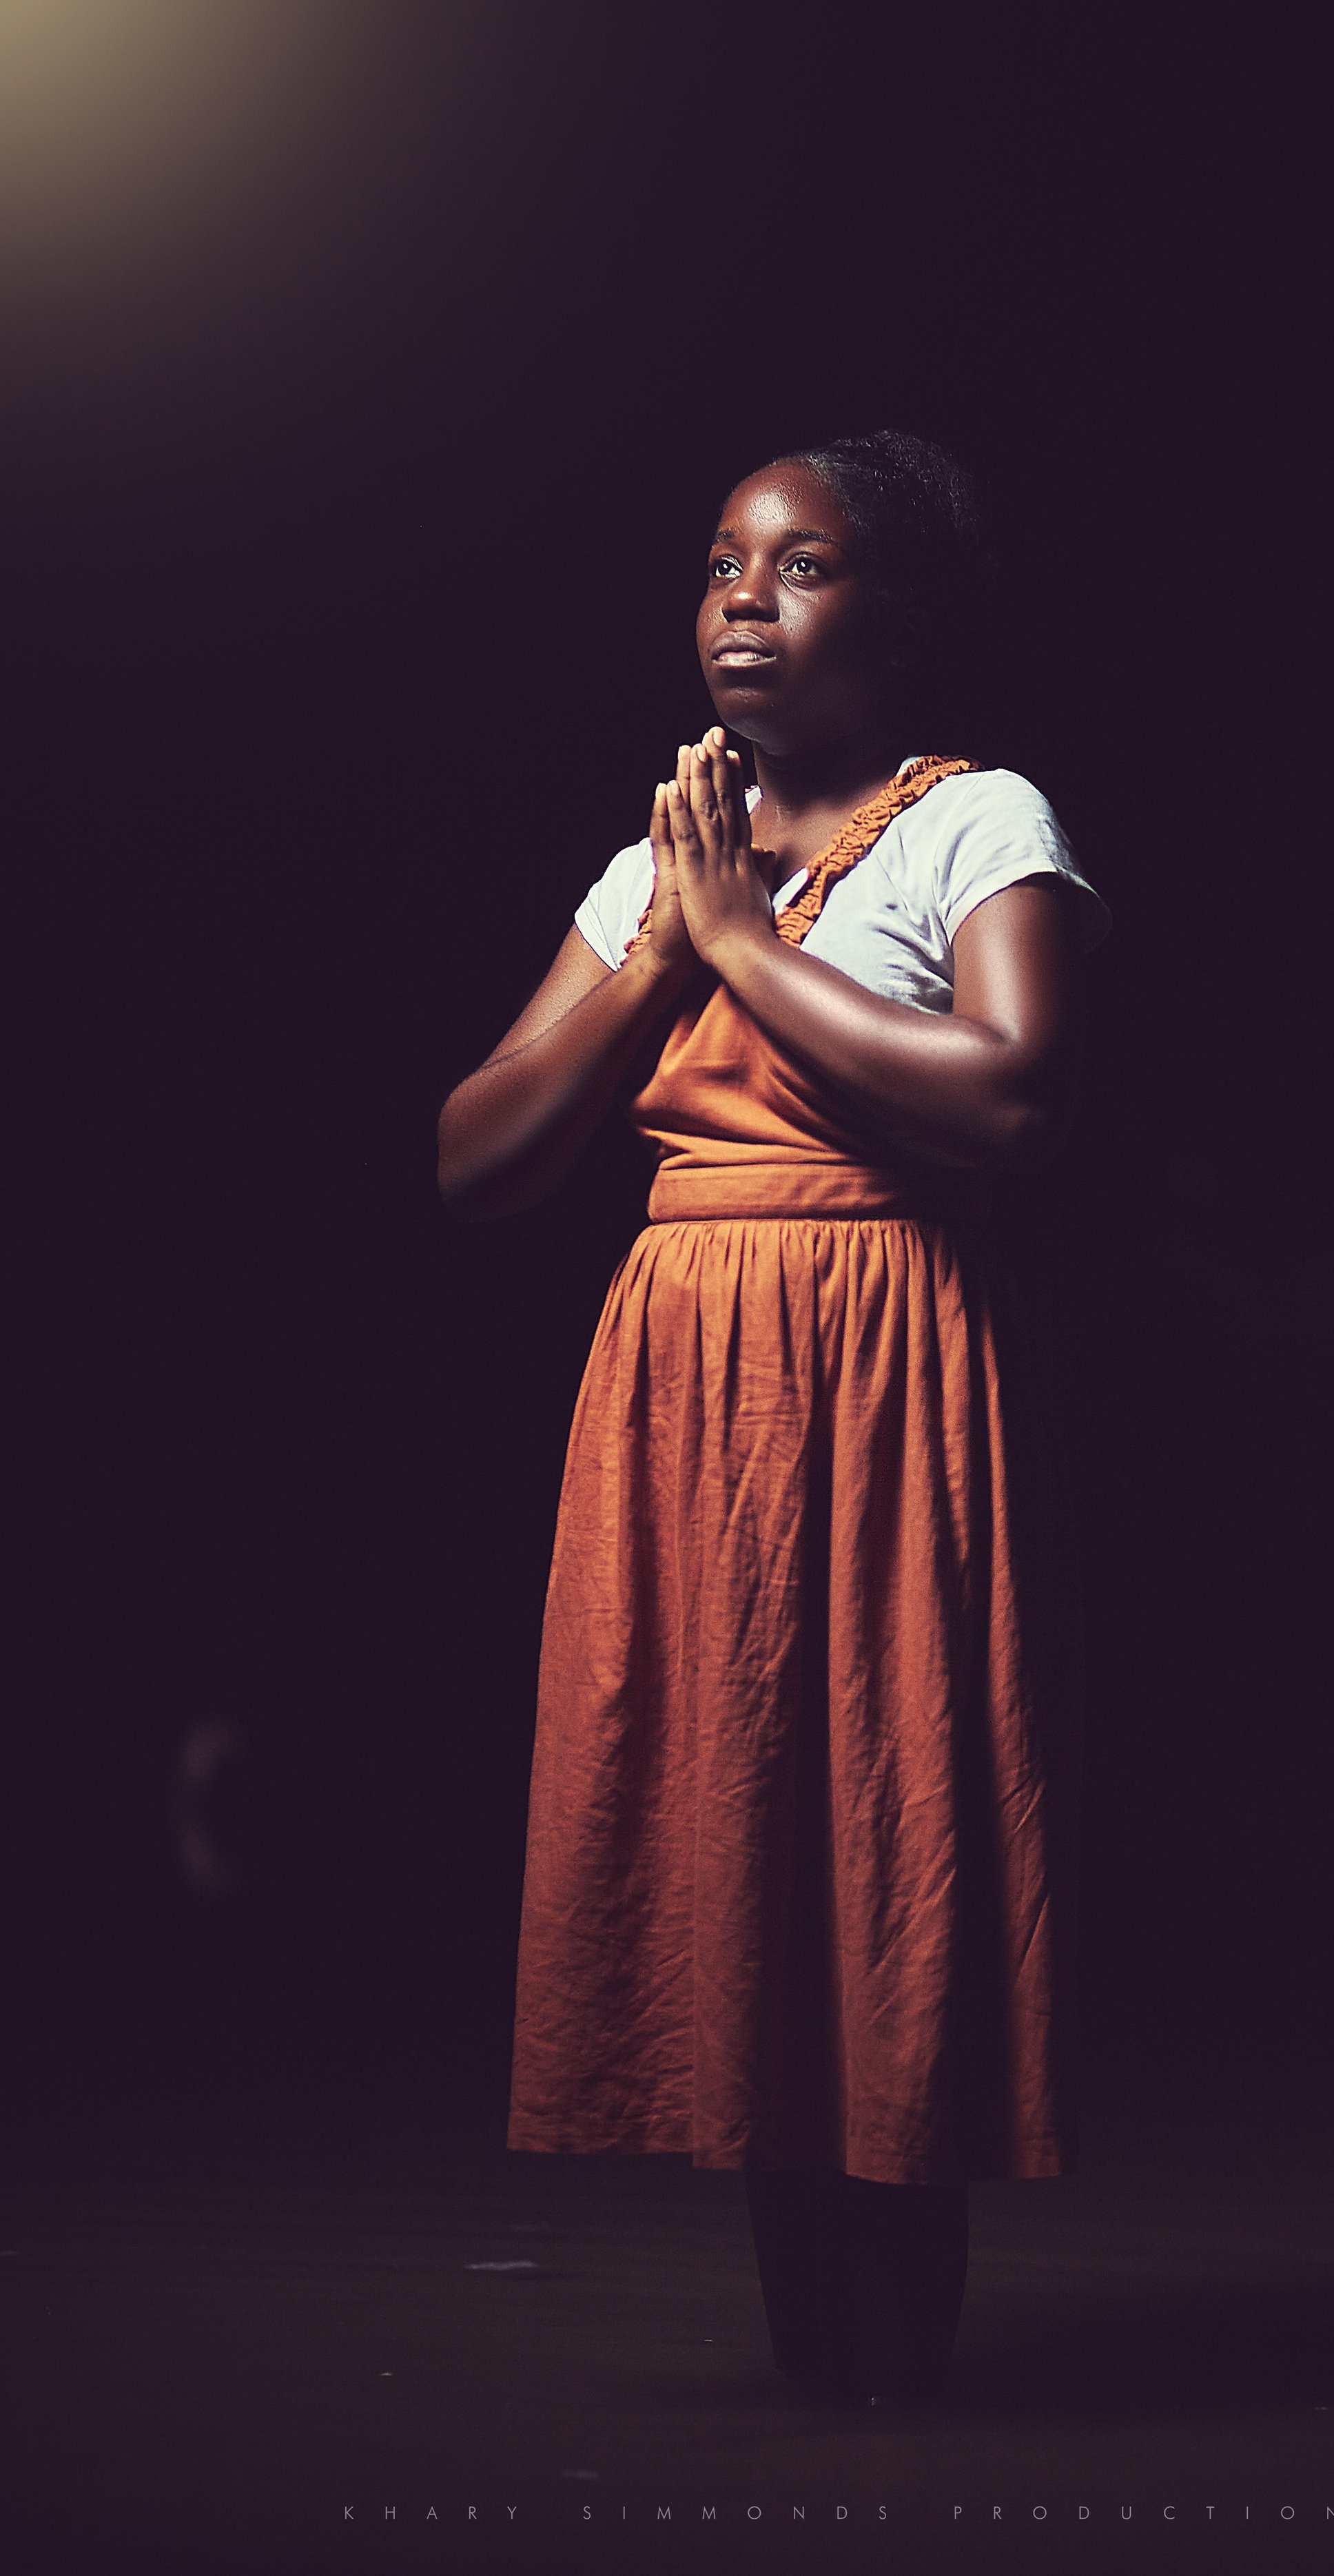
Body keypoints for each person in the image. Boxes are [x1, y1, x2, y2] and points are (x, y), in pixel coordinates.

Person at [437, 431, 1109, 2405]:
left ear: (897, 616)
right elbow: (477, 1157)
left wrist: (742, 948)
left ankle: (892, 2370)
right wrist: (664, 943)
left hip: (878, 1361)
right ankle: (826, 2373)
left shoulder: (975, 819)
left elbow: (1005, 1091)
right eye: (725, 562)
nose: (745, 596)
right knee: (730, 1822)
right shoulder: (657, 864)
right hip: (679, 1382)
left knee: (883, 1817)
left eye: (803, 565)